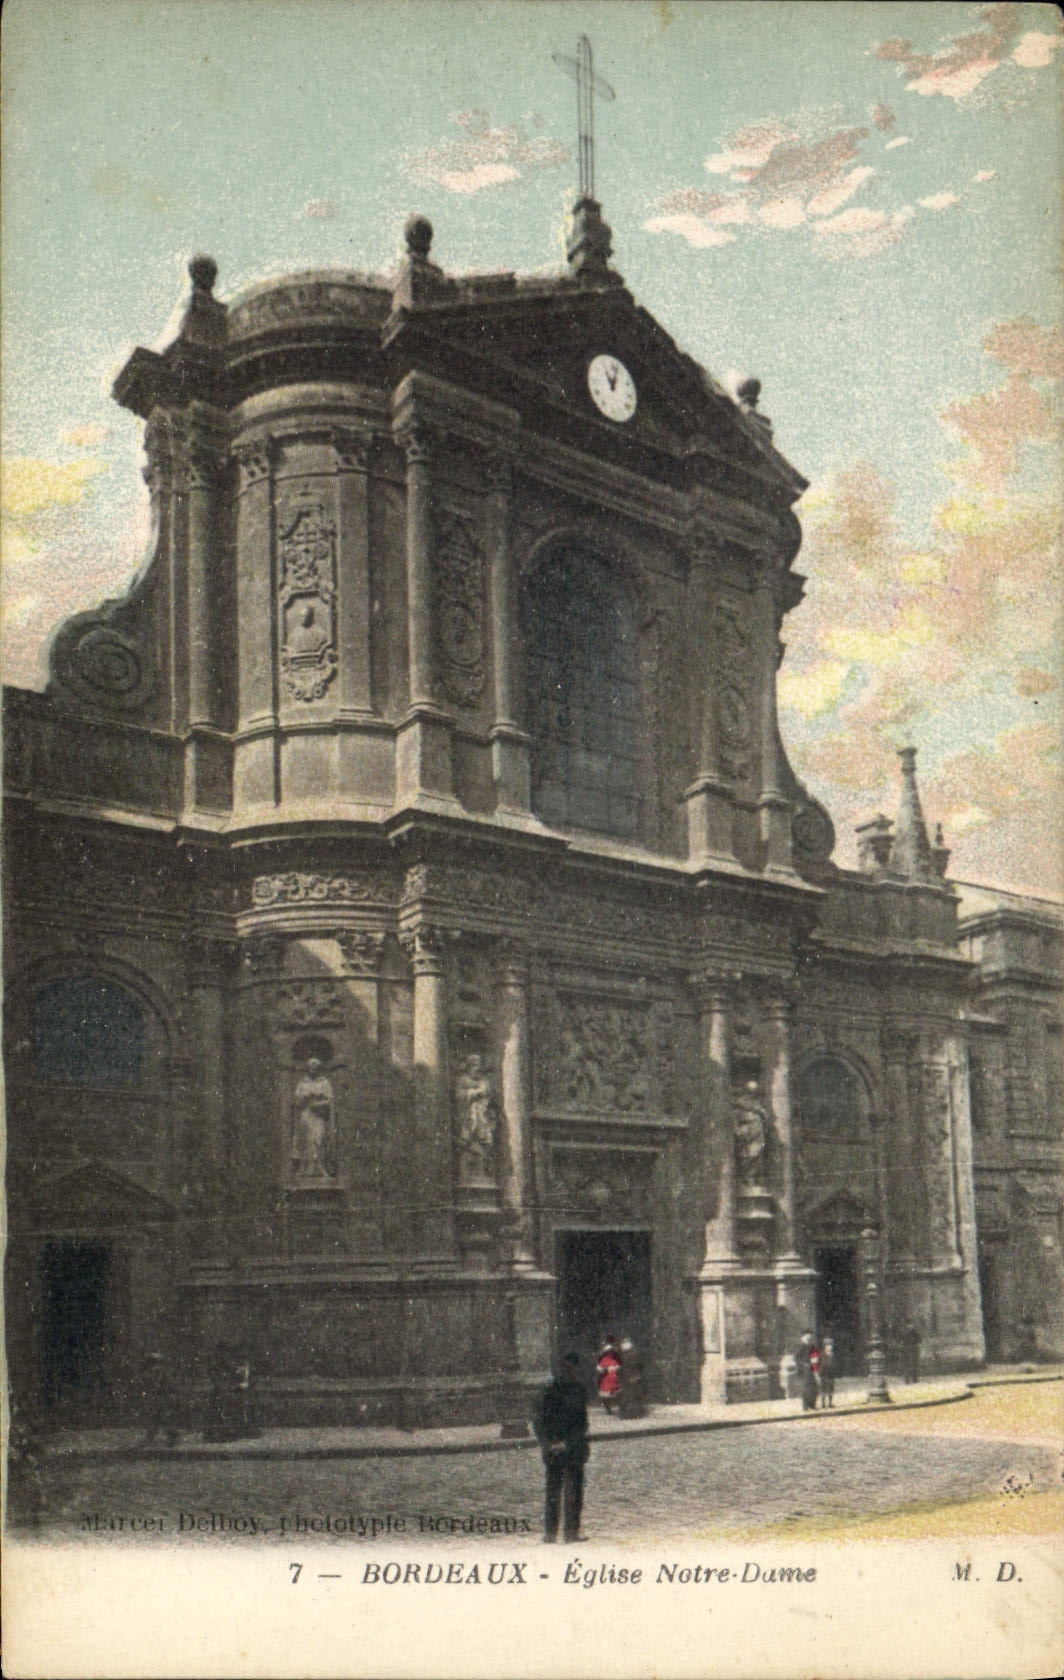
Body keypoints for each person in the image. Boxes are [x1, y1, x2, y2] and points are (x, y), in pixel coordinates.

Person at [531, 1353, 590, 1544]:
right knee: (573, 1491)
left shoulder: (546, 1390)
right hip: (571, 1448)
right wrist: (566, 1443)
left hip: (554, 1448)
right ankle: (570, 1532)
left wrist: (547, 1443)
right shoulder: (578, 1390)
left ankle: (550, 1533)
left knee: (553, 1490)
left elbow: (538, 1420)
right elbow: (582, 1424)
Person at [138, 1350, 179, 1447]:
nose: (155, 1365)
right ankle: (151, 1437)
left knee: (163, 1419)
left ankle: (171, 1437)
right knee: (155, 1419)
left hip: (162, 1400)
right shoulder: (152, 1374)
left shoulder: (161, 1373)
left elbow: (164, 1387)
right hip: (156, 1400)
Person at [595, 1335, 622, 1416]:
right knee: (606, 1396)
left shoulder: (615, 1359)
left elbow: (618, 1366)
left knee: (615, 1394)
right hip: (606, 1381)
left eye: (611, 1352)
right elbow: (599, 1368)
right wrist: (605, 1370)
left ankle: (617, 1408)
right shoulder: (604, 1360)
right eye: (609, 1352)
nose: (610, 1353)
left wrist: (615, 1369)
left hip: (614, 1380)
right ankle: (608, 1408)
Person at [795, 1331, 819, 1411]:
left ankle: (812, 1405)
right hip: (805, 1371)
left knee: (814, 1388)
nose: (809, 1339)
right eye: (807, 1338)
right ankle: (805, 1406)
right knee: (806, 1389)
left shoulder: (812, 1346)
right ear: (803, 1337)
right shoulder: (800, 1346)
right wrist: (804, 1364)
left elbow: (815, 1356)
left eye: (810, 1338)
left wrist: (816, 1365)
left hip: (813, 1369)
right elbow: (796, 1358)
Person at [901, 1320, 922, 1385]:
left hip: (914, 1350)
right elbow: (902, 1341)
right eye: (908, 1324)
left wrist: (917, 1348)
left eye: (911, 1324)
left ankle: (915, 1379)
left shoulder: (916, 1332)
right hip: (907, 1350)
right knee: (907, 1365)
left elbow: (919, 1341)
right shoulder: (905, 1333)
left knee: (915, 1364)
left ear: (913, 1325)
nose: (910, 1326)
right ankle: (907, 1380)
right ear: (906, 1325)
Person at [818, 1337, 836, 1408]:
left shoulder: (832, 1354)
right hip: (823, 1374)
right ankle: (823, 1403)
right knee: (823, 1388)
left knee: (831, 1388)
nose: (830, 1347)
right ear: (825, 1346)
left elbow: (834, 1363)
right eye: (828, 1345)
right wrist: (820, 1372)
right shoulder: (822, 1354)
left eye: (831, 1345)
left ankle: (830, 1403)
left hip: (831, 1374)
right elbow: (818, 1363)